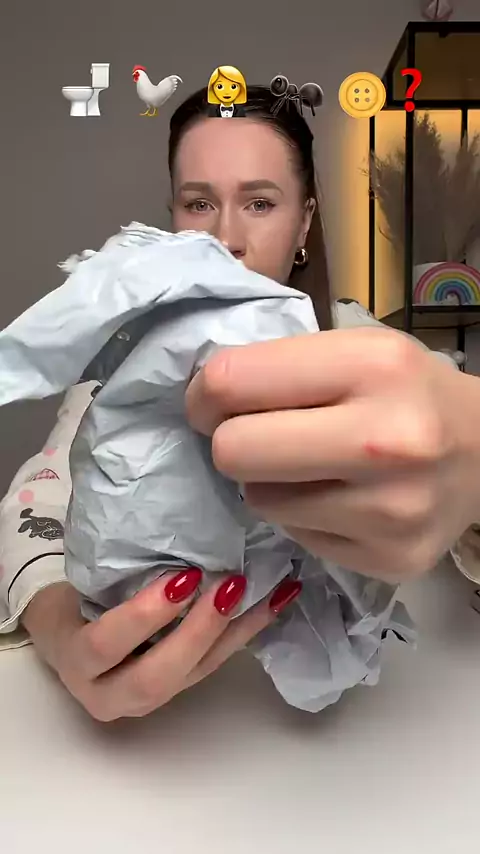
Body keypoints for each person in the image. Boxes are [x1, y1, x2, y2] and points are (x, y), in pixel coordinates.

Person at [1, 85, 479, 722]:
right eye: (199, 203)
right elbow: (35, 503)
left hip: (372, 733)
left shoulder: (378, 356)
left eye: (260, 203)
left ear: (304, 222)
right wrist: (63, 633)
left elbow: (445, 474)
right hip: (180, 729)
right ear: (172, 218)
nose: (226, 237)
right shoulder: (126, 368)